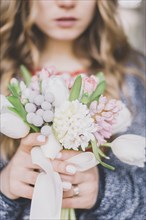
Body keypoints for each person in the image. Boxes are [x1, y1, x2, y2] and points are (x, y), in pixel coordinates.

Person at [0, 0, 145, 220]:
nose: (66, 3)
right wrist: (5, 188)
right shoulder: (4, 75)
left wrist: (105, 192)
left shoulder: (132, 76)